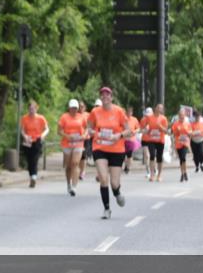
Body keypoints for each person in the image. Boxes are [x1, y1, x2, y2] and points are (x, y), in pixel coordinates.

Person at [86, 86, 130, 219]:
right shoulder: (95, 112)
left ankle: (117, 193)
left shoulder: (119, 111)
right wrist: (92, 132)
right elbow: (89, 127)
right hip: (100, 147)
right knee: (103, 178)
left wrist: (119, 135)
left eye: (107, 95)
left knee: (114, 183)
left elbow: (128, 130)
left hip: (116, 149)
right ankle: (106, 209)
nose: (105, 97)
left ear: (112, 97)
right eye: (102, 95)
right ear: (101, 97)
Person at [57, 99, 86, 196]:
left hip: (78, 143)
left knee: (75, 163)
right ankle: (68, 184)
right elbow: (59, 131)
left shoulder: (81, 117)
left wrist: (84, 135)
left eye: (75, 108)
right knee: (68, 166)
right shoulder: (64, 117)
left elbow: (87, 128)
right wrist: (68, 136)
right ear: (69, 108)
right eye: (72, 108)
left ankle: (74, 187)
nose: (74, 110)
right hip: (67, 143)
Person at [19, 100, 49, 188]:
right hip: (28, 141)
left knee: (35, 159)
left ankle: (34, 177)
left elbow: (47, 129)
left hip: (37, 140)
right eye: (30, 109)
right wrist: (24, 136)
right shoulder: (24, 118)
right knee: (29, 160)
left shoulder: (41, 118)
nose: (31, 111)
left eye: (33, 109)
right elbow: (22, 130)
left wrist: (42, 135)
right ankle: (31, 177)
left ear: (36, 109)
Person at [141, 103, 169, 182]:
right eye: (158, 107)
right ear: (155, 108)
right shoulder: (149, 117)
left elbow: (166, 131)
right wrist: (146, 130)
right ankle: (152, 175)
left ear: (162, 110)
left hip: (160, 140)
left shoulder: (163, 118)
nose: (159, 109)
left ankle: (159, 175)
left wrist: (161, 127)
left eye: (161, 108)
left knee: (159, 157)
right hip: (151, 140)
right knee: (152, 155)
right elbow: (144, 127)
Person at [171, 108, 193, 182]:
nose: (181, 116)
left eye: (183, 115)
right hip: (178, 143)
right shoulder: (175, 124)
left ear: (185, 115)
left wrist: (188, 135)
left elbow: (190, 133)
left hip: (185, 143)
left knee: (183, 157)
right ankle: (183, 173)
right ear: (178, 116)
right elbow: (174, 134)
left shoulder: (187, 124)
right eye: (180, 115)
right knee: (181, 159)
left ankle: (184, 173)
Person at [123, 106, 141, 174]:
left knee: (129, 155)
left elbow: (138, 128)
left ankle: (128, 168)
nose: (129, 113)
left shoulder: (134, 119)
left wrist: (134, 132)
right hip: (124, 139)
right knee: (123, 155)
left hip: (131, 139)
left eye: (130, 112)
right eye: (128, 112)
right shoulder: (123, 119)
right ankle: (126, 165)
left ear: (132, 113)